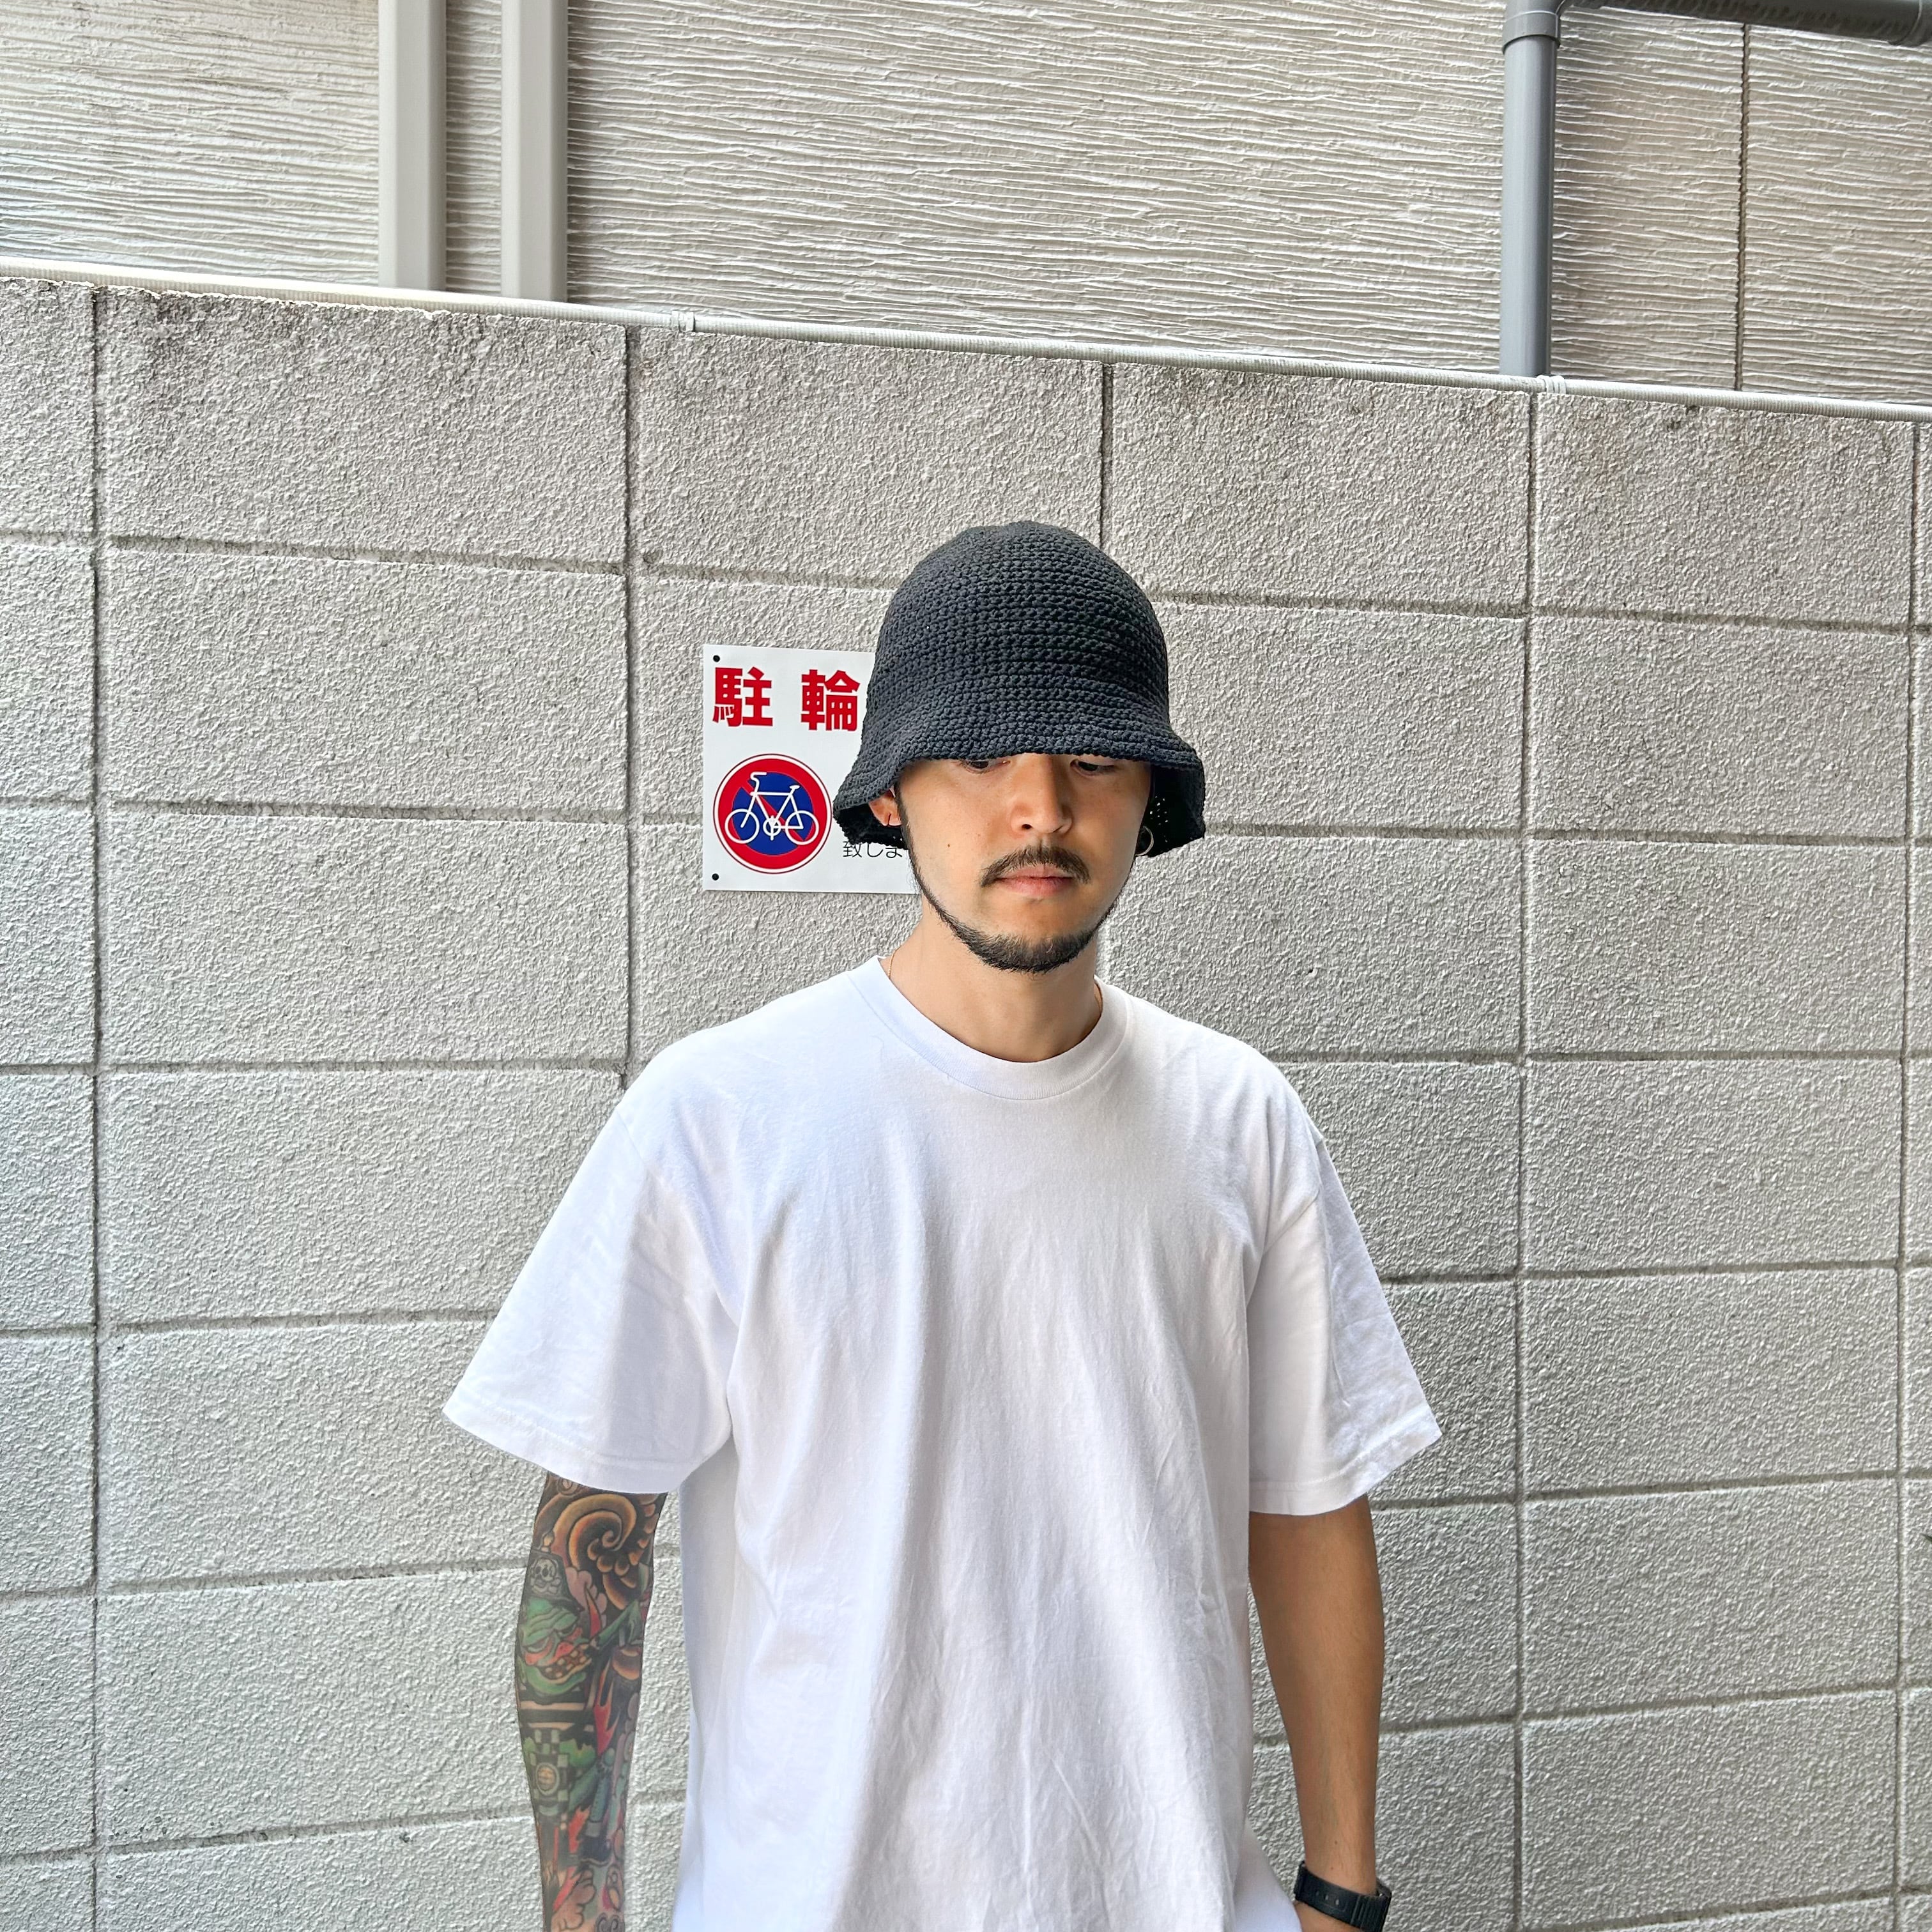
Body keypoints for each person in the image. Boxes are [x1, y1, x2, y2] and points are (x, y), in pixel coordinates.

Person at [443, 519, 1441, 1932]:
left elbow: (1312, 1505)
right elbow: (589, 1556)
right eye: (978, 756)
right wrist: (579, 1920)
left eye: (1092, 757)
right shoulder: (721, 1115)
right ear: (891, 793)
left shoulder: (1240, 1119)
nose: (1038, 806)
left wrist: (1341, 1890)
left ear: (1151, 798)